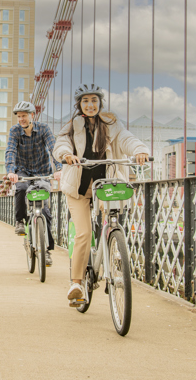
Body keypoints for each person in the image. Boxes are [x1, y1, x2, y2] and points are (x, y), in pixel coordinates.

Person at [53, 84, 149, 304]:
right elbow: (61, 143)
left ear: (100, 103)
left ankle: (114, 254)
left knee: (111, 222)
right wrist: (66, 155)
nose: (90, 105)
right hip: (79, 189)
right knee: (84, 234)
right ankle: (76, 283)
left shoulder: (112, 124)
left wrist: (140, 150)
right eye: (85, 101)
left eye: (94, 100)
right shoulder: (72, 125)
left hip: (106, 185)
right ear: (79, 105)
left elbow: (126, 139)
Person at [5, 101, 62, 267]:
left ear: (32, 115)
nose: (21, 119)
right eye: (19, 116)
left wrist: (58, 167)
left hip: (42, 172)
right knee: (21, 189)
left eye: (24, 116)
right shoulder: (15, 131)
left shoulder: (43, 129)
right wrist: (11, 171)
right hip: (22, 170)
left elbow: (53, 148)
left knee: (45, 210)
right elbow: (11, 150)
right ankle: (20, 222)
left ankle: (47, 251)